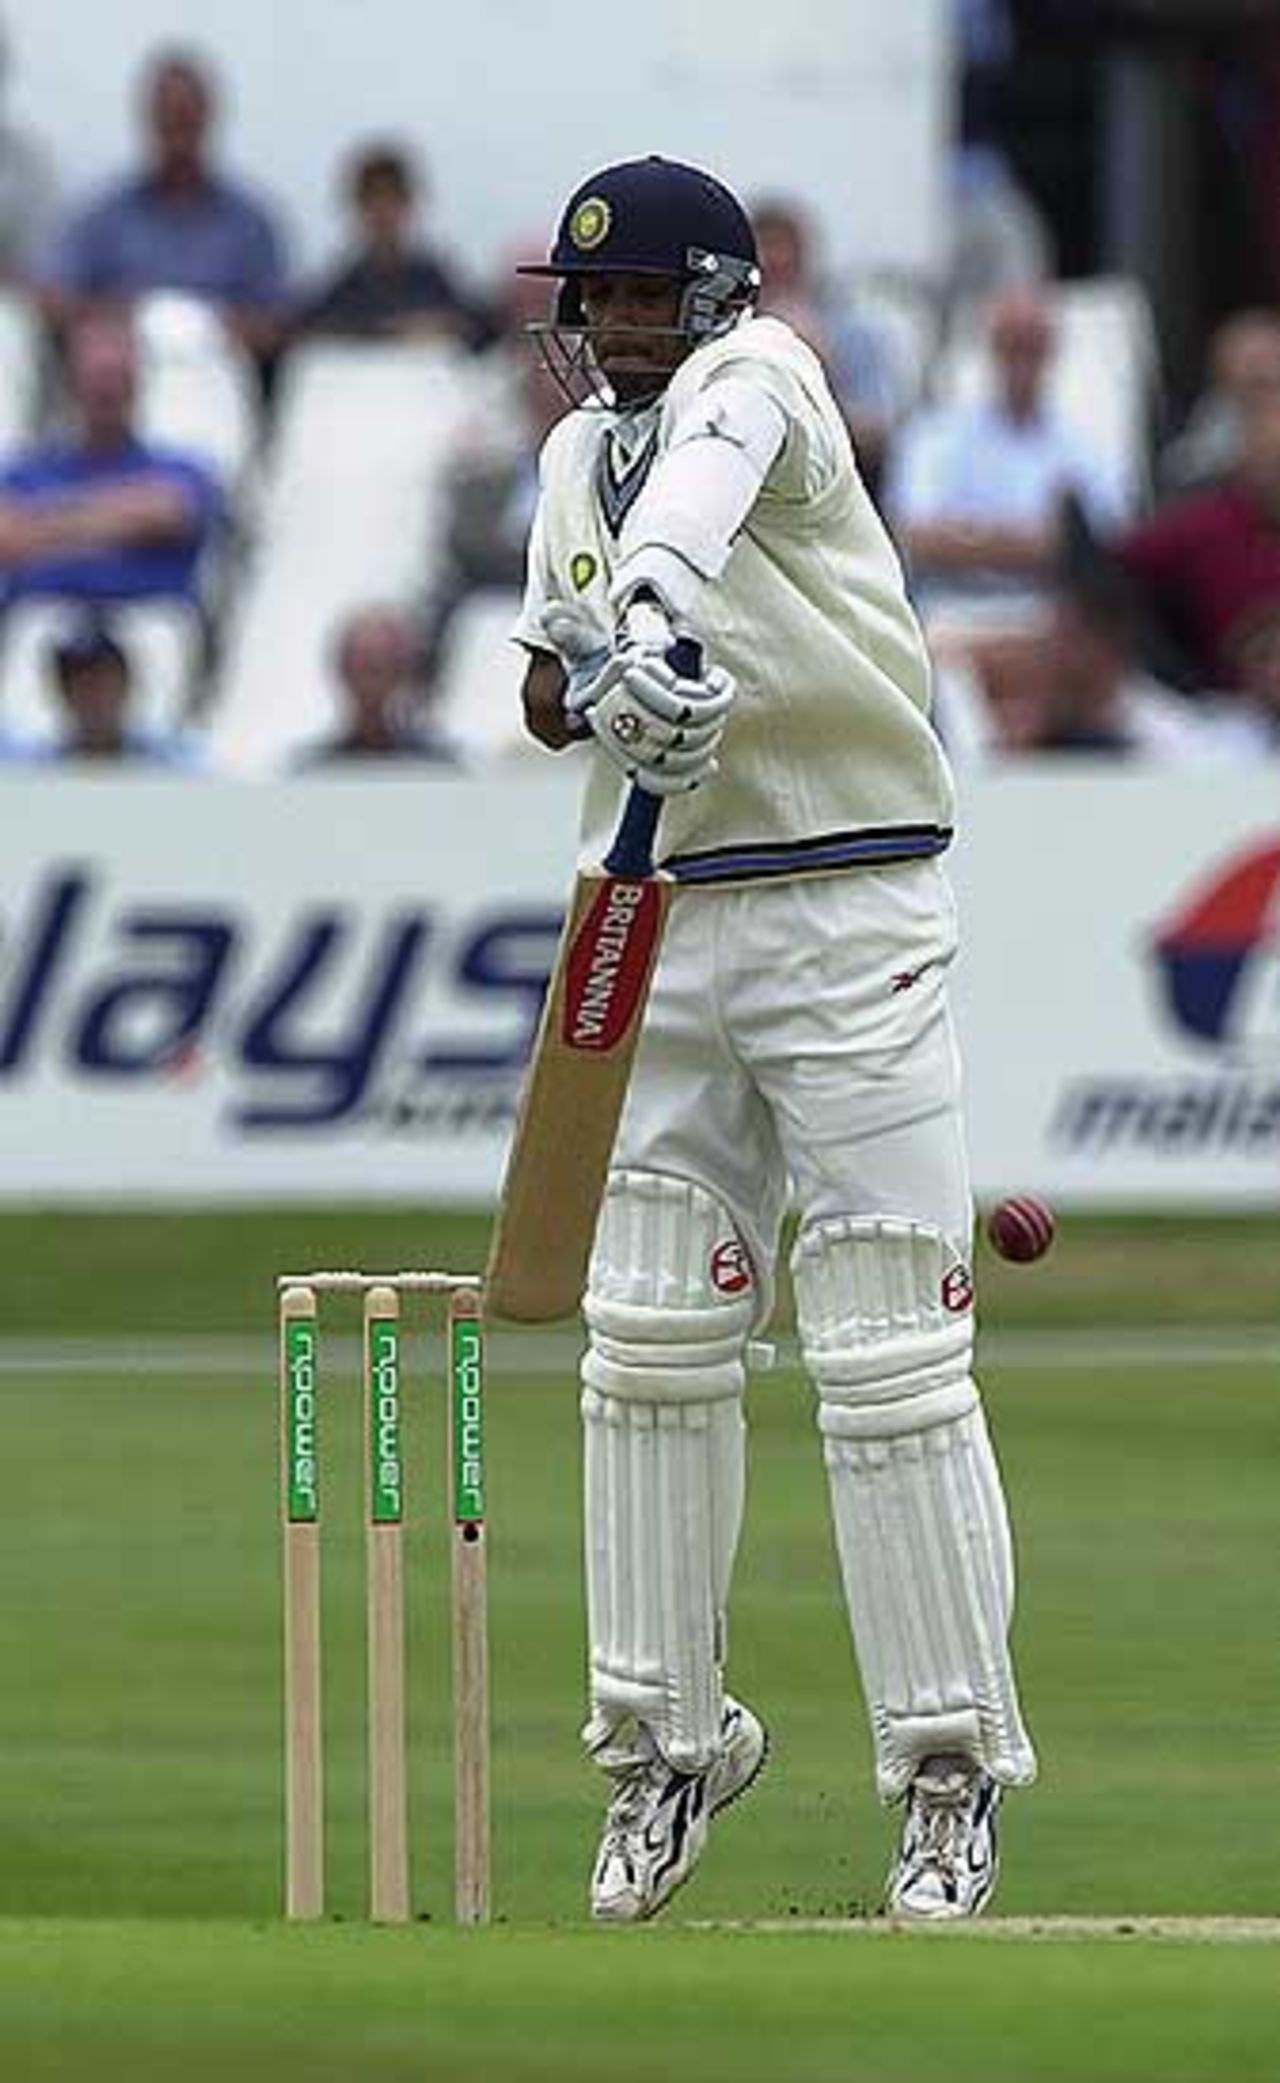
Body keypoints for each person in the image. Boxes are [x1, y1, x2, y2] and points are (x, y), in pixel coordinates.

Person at [512, 155, 1036, 1926]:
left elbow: (704, 498)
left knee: (887, 1353)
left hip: (850, 905)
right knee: (647, 1337)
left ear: (722, 295)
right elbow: (537, 683)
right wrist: (595, 673)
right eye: (602, 301)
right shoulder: (576, 456)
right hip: (665, 923)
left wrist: (653, 612)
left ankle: (949, 1772)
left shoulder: (772, 381)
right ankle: (665, 1742)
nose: (621, 327)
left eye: (653, 295)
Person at [883, 287, 1129, 630]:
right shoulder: (934, 435)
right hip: (951, 614)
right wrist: (1039, 544)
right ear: (992, 347)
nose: (1022, 358)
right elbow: (915, 537)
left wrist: (967, 535)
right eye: (1012, 343)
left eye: (1033, 345)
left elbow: (1105, 546)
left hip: (1050, 622)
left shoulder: (1086, 448)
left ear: (1051, 351)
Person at [39, 48, 289, 366]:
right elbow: (55, 301)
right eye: (167, 117)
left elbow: (278, 322)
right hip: (120, 382)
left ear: (208, 118)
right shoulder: (103, 216)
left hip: (217, 383)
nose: (177, 131)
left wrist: (213, 329)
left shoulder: (251, 225)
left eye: (186, 118)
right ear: (148, 119)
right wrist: (124, 318)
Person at [0, 310, 221, 613]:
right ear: (70, 384)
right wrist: (119, 522)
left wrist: (42, 526)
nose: (107, 392)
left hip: (147, 627)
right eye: (96, 379)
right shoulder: (24, 471)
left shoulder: (181, 468)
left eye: (119, 379)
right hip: (43, 624)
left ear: (138, 384)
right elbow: (8, 538)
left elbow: (169, 512)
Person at [293, 141, 492, 349]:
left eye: (391, 199)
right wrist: (386, 331)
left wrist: (445, 326)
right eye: (371, 200)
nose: (382, 211)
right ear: (356, 208)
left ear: (408, 205)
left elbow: (482, 327)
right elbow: (305, 329)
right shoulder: (341, 284)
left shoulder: (435, 277)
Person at [294, 603, 460, 766]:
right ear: (342, 671)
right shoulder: (310, 771)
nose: (373, 686)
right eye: (364, 665)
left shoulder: (441, 769)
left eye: (385, 666)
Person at [40, 613, 202, 766]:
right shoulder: (36, 770)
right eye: (80, 682)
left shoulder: (171, 765)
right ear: (63, 691)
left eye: (103, 681)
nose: (93, 696)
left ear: (127, 684)